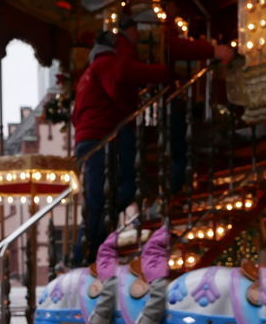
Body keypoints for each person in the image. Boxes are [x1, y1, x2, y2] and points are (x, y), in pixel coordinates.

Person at [68, 19, 230, 267]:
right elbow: (124, 76)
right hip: (104, 134)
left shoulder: (91, 71)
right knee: (110, 193)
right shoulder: (108, 63)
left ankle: (88, 250)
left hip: (93, 136)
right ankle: (84, 253)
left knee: (102, 196)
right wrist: (163, 74)